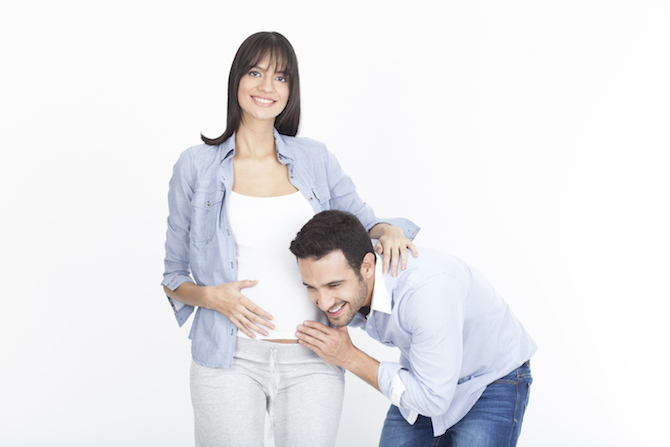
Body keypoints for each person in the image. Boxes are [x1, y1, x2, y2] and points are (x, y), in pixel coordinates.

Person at [161, 32, 419, 447]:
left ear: (290, 90)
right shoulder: (196, 166)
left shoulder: (314, 158)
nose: (267, 87)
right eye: (255, 72)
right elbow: (173, 275)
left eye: (280, 78)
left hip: (314, 354)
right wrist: (214, 298)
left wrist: (389, 230)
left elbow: (366, 225)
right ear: (236, 80)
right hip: (228, 358)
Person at [291, 210, 538, 447]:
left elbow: (433, 399)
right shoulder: (350, 277)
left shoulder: (424, 294)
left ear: (367, 266)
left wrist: (349, 357)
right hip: (425, 377)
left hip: (491, 380)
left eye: (334, 285)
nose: (323, 302)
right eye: (311, 287)